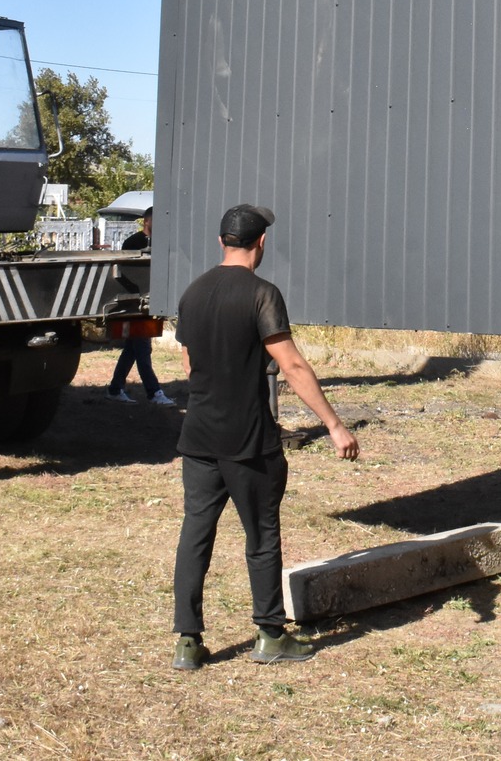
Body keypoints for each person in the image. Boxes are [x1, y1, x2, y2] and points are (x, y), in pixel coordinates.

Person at [170, 204, 359, 671]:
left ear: (221, 242)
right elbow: (292, 365)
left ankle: (187, 643)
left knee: (196, 533)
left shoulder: (193, 293)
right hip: (248, 439)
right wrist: (334, 425)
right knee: (261, 534)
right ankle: (270, 635)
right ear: (262, 243)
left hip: (198, 437)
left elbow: (190, 364)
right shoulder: (262, 294)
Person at [109, 206, 175, 406]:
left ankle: (115, 388)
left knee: (133, 348)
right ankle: (153, 392)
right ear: (147, 221)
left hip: (148, 302)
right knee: (142, 348)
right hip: (132, 304)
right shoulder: (133, 242)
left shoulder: (160, 243)